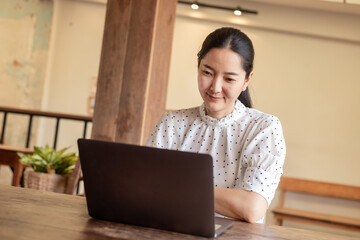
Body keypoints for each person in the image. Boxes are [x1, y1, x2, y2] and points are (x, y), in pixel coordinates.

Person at [147, 27, 286, 223]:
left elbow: (252, 208)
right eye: (207, 72)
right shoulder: (172, 123)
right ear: (198, 65)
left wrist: (177, 186)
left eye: (229, 78)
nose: (215, 87)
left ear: (247, 80)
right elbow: (146, 188)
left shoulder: (264, 128)